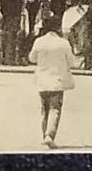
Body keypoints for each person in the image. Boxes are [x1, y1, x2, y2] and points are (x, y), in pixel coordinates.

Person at [28, 15, 75, 149]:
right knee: (55, 109)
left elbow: (32, 58)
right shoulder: (63, 43)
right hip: (57, 81)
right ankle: (50, 136)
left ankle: (44, 136)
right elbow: (71, 62)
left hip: (42, 81)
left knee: (44, 109)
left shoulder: (39, 42)